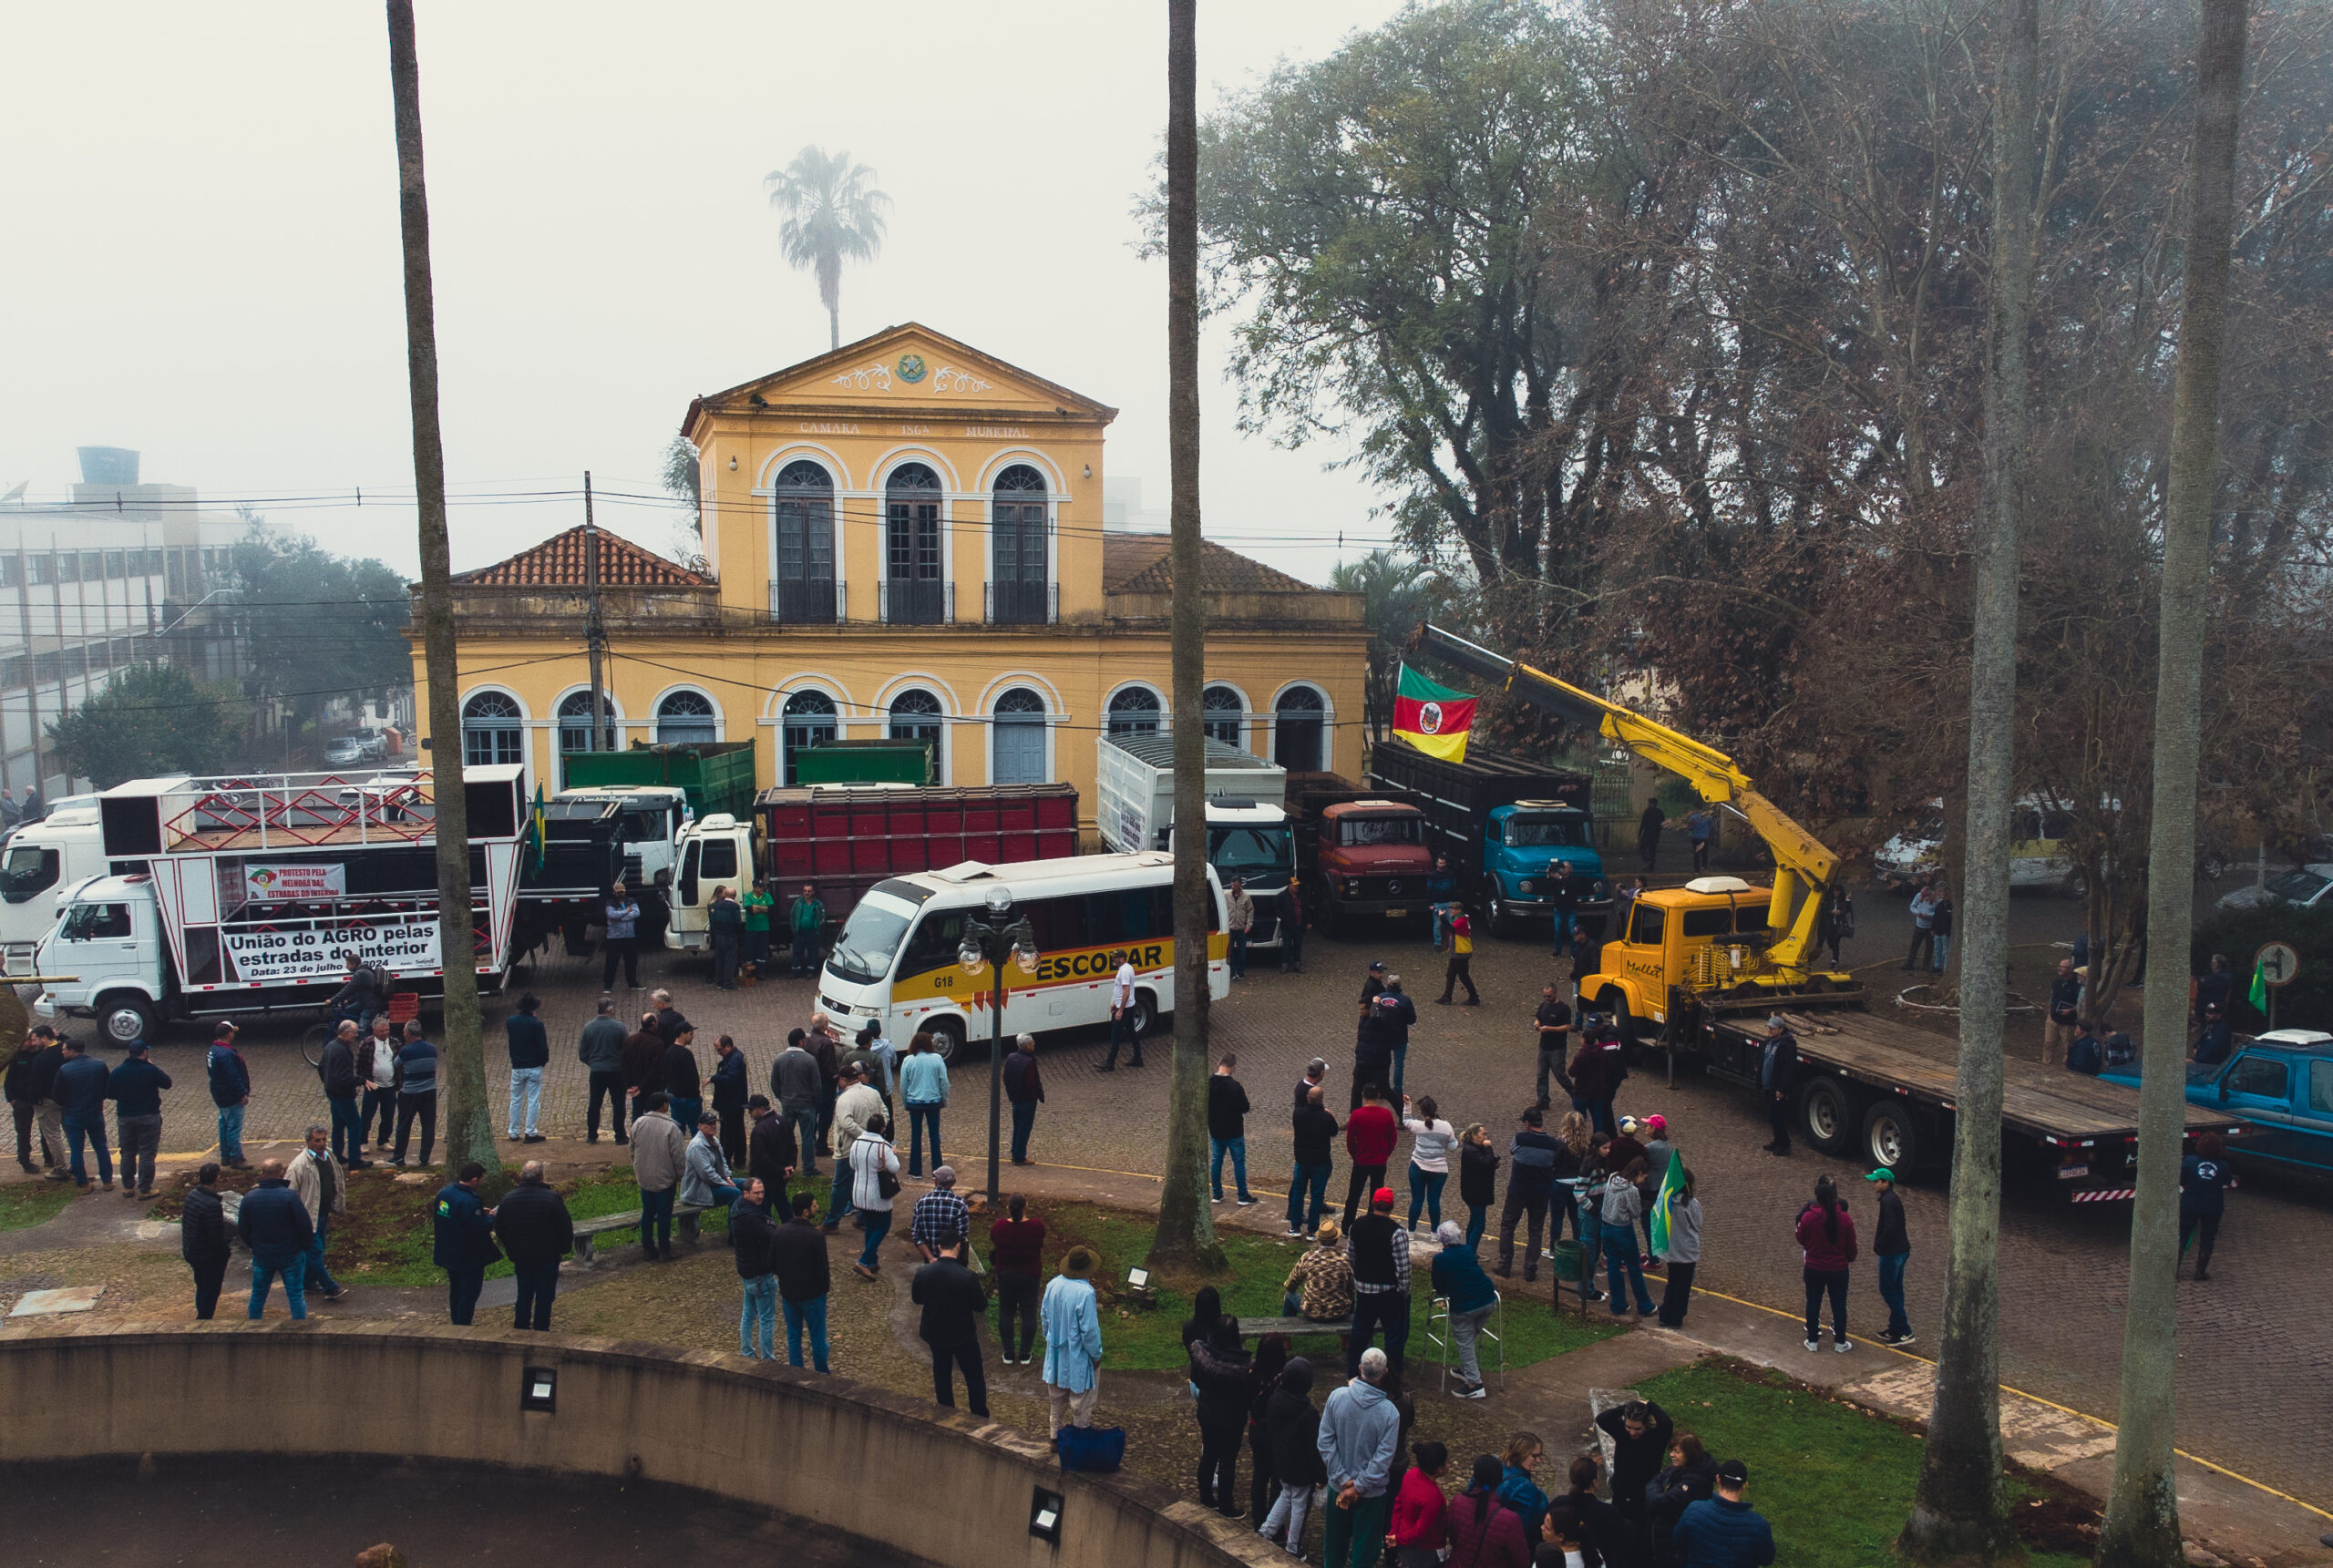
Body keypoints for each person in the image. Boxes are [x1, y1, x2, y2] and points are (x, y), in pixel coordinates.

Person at [1319, 1347, 1404, 1568]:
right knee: (1365, 1555)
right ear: (1385, 1372)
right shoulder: (1389, 1413)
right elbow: (1383, 1458)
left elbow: (1325, 1443)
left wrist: (1343, 1480)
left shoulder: (1336, 1397)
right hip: (1371, 1495)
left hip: (1338, 1488)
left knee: (1334, 1549)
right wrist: (1358, 1487)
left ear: (1359, 1369)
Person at [1259, 1356, 1326, 1553]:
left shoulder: (1274, 1400)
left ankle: (1266, 1530)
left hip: (1282, 1461)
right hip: (1301, 1469)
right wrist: (1321, 1475)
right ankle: (1293, 1546)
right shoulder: (1308, 1413)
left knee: (1286, 1494)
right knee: (1298, 1504)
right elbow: (1314, 1449)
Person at [498, 1159, 573, 1331]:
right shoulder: (552, 1198)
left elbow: (500, 1228)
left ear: (521, 1176)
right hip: (547, 1255)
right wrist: (563, 1248)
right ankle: (541, 1328)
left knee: (524, 1293)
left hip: (521, 1256)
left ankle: (521, 1325)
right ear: (542, 1177)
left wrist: (511, 1246)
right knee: (544, 1296)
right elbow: (564, 1227)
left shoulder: (508, 1199)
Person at [1191, 1316, 1255, 1517]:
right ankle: (1226, 1506)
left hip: (1208, 1412)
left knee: (1209, 1454)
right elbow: (1248, 1394)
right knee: (1228, 1459)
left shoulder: (1202, 1355)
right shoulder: (1244, 1365)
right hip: (1232, 1418)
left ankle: (1206, 1497)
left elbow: (1196, 1380)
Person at [1042, 1245, 1105, 1439]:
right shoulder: (1085, 1293)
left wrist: (1050, 1337)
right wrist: (1096, 1354)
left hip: (1055, 1351)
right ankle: (1079, 1439)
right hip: (1078, 1354)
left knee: (1056, 1398)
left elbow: (1044, 1316)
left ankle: (1054, 1436)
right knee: (1081, 1401)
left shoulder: (1053, 1284)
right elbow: (1089, 1331)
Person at [239, 1158, 313, 1320]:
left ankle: (254, 1327)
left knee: (258, 1294)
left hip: (262, 1254)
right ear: (281, 1173)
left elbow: (243, 1229)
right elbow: (304, 1225)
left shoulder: (249, 1198)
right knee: (295, 1294)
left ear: (262, 1174)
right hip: (290, 1253)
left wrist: (254, 1246)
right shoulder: (289, 1197)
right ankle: (299, 1329)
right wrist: (303, 1246)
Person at [1347, 1186, 1412, 1375]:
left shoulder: (1356, 1226)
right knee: (1393, 1337)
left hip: (1364, 1289)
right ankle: (1392, 1375)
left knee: (1360, 1333)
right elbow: (1403, 1267)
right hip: (1388, 1291)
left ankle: (1353, 1372)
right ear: (1391, 1207)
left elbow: (1350, 1257)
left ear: (1373, 1203)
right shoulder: (1397, 1232)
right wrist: (1404, 1291)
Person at [1432, 1220, 1499, 1399]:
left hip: (1466, 1305)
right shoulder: (1468, 1250)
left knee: (1465, 1341)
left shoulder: (1440, 1259)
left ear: (1442, 1240)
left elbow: (1439, 1287)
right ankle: (1467, 1369)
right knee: (1470, 1336)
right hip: (1488, 1298)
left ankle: (1474, 1383)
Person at [433, 1160, 501, 1326]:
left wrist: (478, 1214)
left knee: (455, 1290)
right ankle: (462, 1325)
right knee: (469, 1293)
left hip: (449, 1251)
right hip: (469, 1256)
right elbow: (478, 1227)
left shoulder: (445, 1193)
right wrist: (491, 1217)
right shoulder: (470, 1201)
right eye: (481, 1179)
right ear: (474, 1180)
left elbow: (451, 1217)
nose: (482, 1182)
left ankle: (456, 1321)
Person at [286, 1122, 348, 1303]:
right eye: (317, 1140)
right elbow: (289, 1194)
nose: (321, 1144)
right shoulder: (299, 1165)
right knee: (315, 1251)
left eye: (323, 1139)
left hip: (322, 1213)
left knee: (317, 1251)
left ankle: (307, 1281)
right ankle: (330, 1287)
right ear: (308, 1142)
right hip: (306, 1217)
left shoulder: (328, 1156)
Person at [1796, 1174, 1858, 1351]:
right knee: (1839, 1304)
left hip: (1814, 1267)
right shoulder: (1845, 1218)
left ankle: (1813, 1340)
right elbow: (1851, 1244)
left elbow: (1801, 1237)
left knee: (1813, 1301)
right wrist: (1849, 1258)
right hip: (1838, 1269)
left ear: (1817, 1198)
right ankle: (1840, 1342)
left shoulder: (1809, 1217)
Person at [1672, 1460, 1774, 1567]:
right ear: (1744, 1485)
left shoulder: (1694, 1510)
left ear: (1718, 1479)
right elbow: (1766, 1559)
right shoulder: (1758, 1526)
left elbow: (1678, 1541)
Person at [772, 1191, 833, 1370]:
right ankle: (821, 1373)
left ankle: (795, 1372)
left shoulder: (779, 1232)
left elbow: (772, 1263)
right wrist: (823, 1290)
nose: (817, 1207)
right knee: (818, 1338)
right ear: (806, 1211)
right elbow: (823, 1270)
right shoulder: (816, 1236)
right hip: (812, 1295)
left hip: (789, 1294)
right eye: (814, 1205)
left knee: (793, 1336)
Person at [1498, 1106, 1559, 1282]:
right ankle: (1530, 1269)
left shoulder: (1519, 1138)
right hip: (1541, 1192)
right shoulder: (1554, 1144)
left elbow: (1512, 1151)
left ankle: (1504, 1264)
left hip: (1518, 1190)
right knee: (1535, 1230)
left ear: (1527, 1123)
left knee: (1508, 1225)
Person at [1596, 1398, 1674, 1534]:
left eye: (1638, 1428)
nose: (1632, 1432)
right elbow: (1602, 1419)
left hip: (1644, 1495)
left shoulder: (1656, 1438)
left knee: (1642, 1532)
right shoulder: (1622, 1433)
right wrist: (1626, 1407)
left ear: (1646, 1425)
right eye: (1628, 1427)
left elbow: (1667, 1423)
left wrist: (1649, 1405)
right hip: (1621, 1492)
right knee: (1618, 1530)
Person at [108, 1039, 172, 1200]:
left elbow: (109, 1093)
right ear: (144, 1053)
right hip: (148, 1116)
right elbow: (167, 1083)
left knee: (127, 1152)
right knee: (146, 1153)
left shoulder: (118, 1071)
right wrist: (152, 1066)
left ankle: (128, 1187)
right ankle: (145, 1188)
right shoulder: (150, 1070)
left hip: (125, 1116)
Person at [825, 1063, 885, 1230]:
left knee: (840, 1186)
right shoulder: (873, 1092)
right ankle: (863, 1218)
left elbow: (846, 1123)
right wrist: (875, 1134)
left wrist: (864, 1135)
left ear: (843, 1080)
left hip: (848, 1150)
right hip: (871, 1147)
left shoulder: (844, 1099)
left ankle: (831, 1222)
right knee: (866, 1183)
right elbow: (885, 1113)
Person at [629, 1091, 687, 1262]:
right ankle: (664, 1249)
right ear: (663, 1106)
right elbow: (678, 1156)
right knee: (664, 1215)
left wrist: (638, 1168)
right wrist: (679, 1175)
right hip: (665, 1178)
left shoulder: (638, 1123)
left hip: (644, 1177)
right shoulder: (671, 1127)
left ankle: (647, 1248)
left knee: (647, 1213)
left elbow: (632, 1149)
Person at [1646, 1435, 1721, 1566]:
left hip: (1675, 1548)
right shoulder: (1679, 1468)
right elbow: (1655, 1481)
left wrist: (1655, 1493)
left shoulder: (1694, 1482)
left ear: (1689, 1454)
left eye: (1677, 1452)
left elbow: (1659, 1502)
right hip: (1666, 1540)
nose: (1672, 1455)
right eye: (1671, 1451)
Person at [1447, 1453, 1532, 1568]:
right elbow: (1520, 1561)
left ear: (1475, 1477)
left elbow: (1453, 1539)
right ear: (1500, 1479)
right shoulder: (1510, 1520)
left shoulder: (1457, 1503)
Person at [989, 1194, 1046, 1364]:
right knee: (1029, 1313)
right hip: (1030, 1274)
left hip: (1006, 1273)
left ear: (1008, 1208)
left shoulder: (999, 1227)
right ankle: (1025, 1353)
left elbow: (993, 1239)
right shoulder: (1036, 1226)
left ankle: (1008, 1352)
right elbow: (1041, 1241)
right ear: (1026, 1206)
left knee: (1006, 1312)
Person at [847, 1110, 900, 1279]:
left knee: (870, 1225)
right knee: (883, 1226)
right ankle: (863, 1261)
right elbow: (895, 1168)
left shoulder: (856, 1143)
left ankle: (872, 1260)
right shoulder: (883, 1147)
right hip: (877, 1194)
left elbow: (852, 1165)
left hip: (859, 1192)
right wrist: (893, 1152)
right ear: (882, 1129)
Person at [731, 1176, 779, 1358]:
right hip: (760, 1274)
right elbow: (770, 1235)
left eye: (762, 1192)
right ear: (746, 1193)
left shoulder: (739, 1209)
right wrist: (771, 1224)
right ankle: (767, 1358)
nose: (761, 1196)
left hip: (746, 1272)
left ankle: (747, 1353)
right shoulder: (752, 1217)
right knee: (767, 1319)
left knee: (748, 1315)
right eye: (756, 1193)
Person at [1601, 1159, 1657, 1317]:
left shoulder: (1612, 1178)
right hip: (1623, 1230)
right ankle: (1644, 1305)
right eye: (1643, 1177)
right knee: (1634, 1268)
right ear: (1639, 1173)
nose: (1643, 1181)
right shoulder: (1631, 1190)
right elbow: (1636, 1213)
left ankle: (1618, 1304)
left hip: (1606, 1226)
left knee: (1613, 1266)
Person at [6, 1027, 63, 1177]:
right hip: (22, 1101)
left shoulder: (42, 1054)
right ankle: (25, 1160)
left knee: (46, 1130)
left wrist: (58, 1035)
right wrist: (12, 1099)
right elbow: (9, 1080)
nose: (29, 1042)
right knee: (23, 1132)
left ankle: (49, 1157)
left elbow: (66, 1044)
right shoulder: (18, 1057)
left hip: (40, 1099)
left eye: (31, 1039)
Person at [1865, 1166, 1913, 1344]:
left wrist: (1879, 1244)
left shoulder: (1887, 1201)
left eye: (1876, 1181)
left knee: (1887, 1290)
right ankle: (1895, 1328)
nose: (1873, 1185)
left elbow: (1890, 1226)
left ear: (1886, 1183)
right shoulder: (1892, 1199)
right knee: (1896, 1290)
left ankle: (1905, 1330)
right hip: (1901, 1250)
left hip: (1891, 1253)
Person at [2179, 1132, 2234, 1281]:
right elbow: (2227, 1181)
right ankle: (2200, 1271)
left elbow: (2182, 1180)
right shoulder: (2223, 1166)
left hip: (2190, 1203)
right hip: (2212, 1206)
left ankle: (2174, 1269)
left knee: (2182, 1235)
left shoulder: (2190, 1161)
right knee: (2208, 1236)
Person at [180, 1161, 231, 1319]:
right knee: (210, 1292)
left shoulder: (192, 1196)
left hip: (193, 1253)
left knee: (201, 1287)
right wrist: (225, 1253)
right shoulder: (212, 1205)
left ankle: (201, 1313)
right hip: (208, 1258)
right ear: (217, 1178)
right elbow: (215, 1238)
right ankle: (203, 1322)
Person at [1288, 1084, 1340, 1237]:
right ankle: (1312, 1229)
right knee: (1317, 1196)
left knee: (1298, 1193)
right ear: (1321, 1099)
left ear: (1307, 1099)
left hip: (1302, 1160)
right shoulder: (1326, 1117)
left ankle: (1295, 1226)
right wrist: (1330, 1115)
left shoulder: (1297, 1114)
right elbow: (1334, 1131)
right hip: (1321, 1161)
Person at [1343, 1082, 1400, 1223]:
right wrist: (1385, 1154)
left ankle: (1347, 1224)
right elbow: (1393, 1138)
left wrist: (1355, 1155)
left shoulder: (1357, 1115)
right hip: (1379, 1161)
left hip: (1361, 1161)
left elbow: (1350, 1140)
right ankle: (1373, 1222)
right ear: (1378, 1096)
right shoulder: (1386, 1115)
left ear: (1363, 1096)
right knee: (1376, 1195)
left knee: (1354, 1194)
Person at [771, 1028, 823, 1173]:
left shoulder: (780, 1059)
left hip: (788, 1104)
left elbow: (774, 1083)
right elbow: (816, 1085)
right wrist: (815, 1101)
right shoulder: (810, 1060)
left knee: (786, 1136)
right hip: (806, 1104)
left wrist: (782, 1098)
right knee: (807, 1136)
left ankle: (785, 1164)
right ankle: (808, 1167)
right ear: (800, 1042)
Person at [1390, 1440, 1451, 1565]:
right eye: (1446, 1462)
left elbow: (1398, 1504)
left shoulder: (1411, 1475)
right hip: (1425, 1550)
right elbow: (1420, 1530)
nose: (1448, 1465)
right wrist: (1399, 1538)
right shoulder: (1433, 1497)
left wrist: (1394, 1533)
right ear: (1439, 1469)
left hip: (1405, 1541)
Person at [1656, 1166, 1703, 1329]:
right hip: (1687, 1252)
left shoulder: (1666, 1201)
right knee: (1683, 1287)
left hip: (1672, 1251)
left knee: (1672, 1283)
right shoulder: (1691, 1203)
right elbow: (1697, 1224)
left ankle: (1665, 1315)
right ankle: (1676, 1318)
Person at [388, 1020, 440, 1167]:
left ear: (410, 1034)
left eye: (405, 1031)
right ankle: (424, 1158)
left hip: (410, 1093)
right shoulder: (432, 1049)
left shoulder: (406, 1051)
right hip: (429, 1091)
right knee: (428, 1125)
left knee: (404, 1125)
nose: (403, 1034)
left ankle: (398, 1157)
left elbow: (396, 1064)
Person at [1359, 976, 1417, 1104]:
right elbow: (1412, 1019)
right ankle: (1397, 1090)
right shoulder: (1405, 1000)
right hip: (1399, 1037)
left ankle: (1380, 1088)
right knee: (1398, 1064)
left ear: (1388, 984)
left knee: (1381, 1064)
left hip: (1381, 1037)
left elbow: (1374, 1015)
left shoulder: (1380, 997)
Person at [314, 1020, 365, 1170]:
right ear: (346, 1033)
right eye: (354, 1033)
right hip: (343, 1094)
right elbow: (344, 1077)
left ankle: (337, 1155)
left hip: (332, 1092)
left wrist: (327, 1083)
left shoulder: (331, 1046)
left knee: (338, 1125)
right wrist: (361, 1080)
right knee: (354, 1124)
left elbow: (321, 1067)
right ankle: (355, 1160)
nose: (356, 1036)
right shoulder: (342, 1051)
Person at [900, 1030, 951, 1178]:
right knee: (934, 1136)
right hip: (933, 1102)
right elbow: (944, 1082)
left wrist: (905, 1102)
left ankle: (915, 1170)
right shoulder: (937, 1059)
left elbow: (903, 1085)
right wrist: (944, 1100)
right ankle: (937, 1170)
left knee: (916, 1136)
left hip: (914, 1103)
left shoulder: (908, 1060)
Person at [1402, 1094, 1457, 1231]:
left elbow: (1406, 1120)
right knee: (1434, 1202)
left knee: (1416, 1201)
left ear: (1421, 1111)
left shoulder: (1418, 1126)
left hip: (1418, 1167)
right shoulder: (1446, 1126)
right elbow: (1453, 1146)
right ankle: (1434, 1232)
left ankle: (1411, 1231)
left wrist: (1407, 1105)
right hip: (1439, 1170)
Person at [1285, 1218, 1354, 1325]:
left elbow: (1291, 1283)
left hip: (1311, 1311)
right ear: (1336, 1240)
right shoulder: (1344, 1260)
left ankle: (1285, 1333)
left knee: (1289, 1295)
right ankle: (1348, 1336)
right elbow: (1351, 1288)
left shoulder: (1308, 1257)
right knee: (1351, 1299)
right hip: (1339, 1312)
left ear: (1319, 1239)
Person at [1209, 1052, 1257, 1204]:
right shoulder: (1235, 1087)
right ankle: (1242, 1195)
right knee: (1238, 1162)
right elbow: (1245, 1107)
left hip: (1215, 1129)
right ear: (1233, 1068)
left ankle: (1217, 1194)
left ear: (1219, 1063)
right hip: (1233, 1130)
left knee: (1216, 1161)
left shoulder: (1208, 1083)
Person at [503, 992, 549, 1143]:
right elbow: (543, 1048)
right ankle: (530, 1132)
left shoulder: (511, 1022)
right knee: (533, 1100)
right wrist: (542, 1062)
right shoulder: (536, 1024)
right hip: (534, 1065)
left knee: (516, 1099)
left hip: (517, 1066)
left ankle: (513, 1132)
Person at [207, 1020, 252, 1168]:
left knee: (224, 1124)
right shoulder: (227, 1054)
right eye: (232, 1032)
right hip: (230, 1096)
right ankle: (236, 1158)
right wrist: (242, 1093)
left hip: (219, 1094)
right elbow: (233, 1076)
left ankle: (225, 1155)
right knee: (233, 1127)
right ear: (228, 1034)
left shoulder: (213, 1050)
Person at [1495, 1433, 1552, 1545]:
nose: (1538, 1461)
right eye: (1534, 1456)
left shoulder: (1494, 1464)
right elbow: (1527, 1526)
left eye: (1539, 1456)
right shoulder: (1524, 1487)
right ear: (1520, 1454)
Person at [681, 1111, 742, 1210]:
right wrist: (726, 1184)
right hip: (701, 1190)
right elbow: (707, 1174)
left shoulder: (714, 1140)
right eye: (709, 1124)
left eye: (714, 1123)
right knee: (735, 1193)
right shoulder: (697, 1146)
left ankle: (755, 1219)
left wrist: (727, 1178)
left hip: (718, 1182)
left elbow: (723, 1162)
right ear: (699, 1126)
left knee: (750, 1184)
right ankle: (736, 1223)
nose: (713, 1126)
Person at [910, 1164, 971, 1263]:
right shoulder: (960, 1204)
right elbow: (961, 1236)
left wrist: (931, 1258)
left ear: (935, 1181)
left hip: (930, 1261)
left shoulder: (921, 1202)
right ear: (954, 1183)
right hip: (952, 1261)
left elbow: (916, 1235)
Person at [745, 1094, 795, 1214]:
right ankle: (791, 1229)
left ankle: (766, 1231)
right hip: (781, 1176)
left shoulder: (759, 1130)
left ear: (760, 1109)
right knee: (783, 1206)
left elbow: (760, 1159)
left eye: (751, 1109)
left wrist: (781, 1170)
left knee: (763, 1210)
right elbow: (793, 1147)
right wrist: (789, 1167)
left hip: (765, 1178)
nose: (749, 1113)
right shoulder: (783, 1121)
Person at [1758, 1016, 1797, 1156]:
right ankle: (1777, 1140)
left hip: (1777, 1087)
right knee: (1771, 1115)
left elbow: (1788, 1069)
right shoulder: (1769, 1041)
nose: (1770, 1030)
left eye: (1773, 1028)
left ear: (1781, 1029)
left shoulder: (1788, 1045)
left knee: (1777, 1115)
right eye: (1769, 1027)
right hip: (1768, 1084)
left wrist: (1782, 1089)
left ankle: (1785, 1143)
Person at [360, 1015, 400, 1151]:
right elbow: (360, 1065)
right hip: (373, 1086)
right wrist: (365, 1081)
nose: (385, 1033)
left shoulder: (395, 1043)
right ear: (374, 1030)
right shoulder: (366, 1044)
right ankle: (363, 1142)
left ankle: (383, 1141)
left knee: (388, 1116)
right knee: (367, 1116)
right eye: (382, 1030)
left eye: (387, 1030)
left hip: (390, 1086)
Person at [1003, 1032, 1043, 1164]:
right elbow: (1031, 1083)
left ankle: (1015, 1152)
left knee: (1017, 1126)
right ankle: (1020, 1156)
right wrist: (1036, 1095)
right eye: (1032, 1043)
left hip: (1015, 1098)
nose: (1034, 1044)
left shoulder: (1011, 1057)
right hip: (1027, 1100)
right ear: (1027, 1046)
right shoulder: (1029, 1062)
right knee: (1024, 1128)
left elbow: (1006, 1077)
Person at [709, 1033, 750, 1163]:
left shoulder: (735, 1060)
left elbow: (731, 1079)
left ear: (728, 1047)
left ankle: (726, 1158)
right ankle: (739, 1158)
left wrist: (714, 1078)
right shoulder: (735, 1057)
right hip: (733, 1101)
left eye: (719, 1049)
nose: (718, 1052)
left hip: (731, 1102)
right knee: (737, 1130)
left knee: (729, 1133)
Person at [1458, 1122, 1499, 1248]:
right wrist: (1488, 1149)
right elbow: (1485, 1163)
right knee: (1479, 1225)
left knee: (1473, 1221)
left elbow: (1484, 1164)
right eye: (1483, 1134)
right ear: (1473, 1135)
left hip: (1475, 1192)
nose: (1485, 1137)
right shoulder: (1471, 1150)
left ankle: (1469, 1249)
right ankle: (1471, 1252)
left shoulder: (1472, 1148)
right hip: (1476, 1193)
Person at [1102, 951, 1144, 1071]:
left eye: (1115, 958)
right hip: (1128, 1006)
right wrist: (1115, 1002)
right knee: (1131, 1032)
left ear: (1122, 958)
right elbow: (1121, 990)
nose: (1113, 960)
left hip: (1125, 1008)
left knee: (1115, 1034)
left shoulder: (1124, 971)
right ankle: (1138, 1058)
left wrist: (1120, 1010)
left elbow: (1126, 991)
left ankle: (1110, 1063)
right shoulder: (1127, 968)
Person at [1566, 1025, 1608, 1137]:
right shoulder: (1602, 1053)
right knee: (1598, 1119)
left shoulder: (1581, 1055)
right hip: (1598, 1092)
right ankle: (1598, 1142)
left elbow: (1572, 1072)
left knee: (1579, 1120)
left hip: (1582, 1092)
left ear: (1584, 1039)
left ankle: (1580, 1141)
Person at [1535, 985, 1573, 1109]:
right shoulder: (1543, 1006)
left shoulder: (1564, 1009)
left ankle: (1575, 1094)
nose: (1546, 998)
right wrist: (1537, 1023)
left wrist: (1550, 1029)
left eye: (1549, 996)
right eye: (1545, 996)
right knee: (1541, 1075)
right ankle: (1543, 1100)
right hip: (1543, 1047)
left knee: (1560, 1074)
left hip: (1557, 1048)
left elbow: (1567, 1027)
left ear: (1555, 993)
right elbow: (1538, 1017)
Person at [326, 951, 385, 1030]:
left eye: (348, 964)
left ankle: (364, 1035)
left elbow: (348, 989)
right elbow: (358, 988)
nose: (346, 966)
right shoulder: (363, 971)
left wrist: (332, 1000)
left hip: (371, 1005)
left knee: (362, 1030)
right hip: (365, 1001)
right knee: (348, 1010)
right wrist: (348, 999)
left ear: (353, 964)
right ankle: (354, 1029)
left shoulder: (360, 973)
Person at [601, 881, 642, 990]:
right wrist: (626, 912)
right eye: (618, 892)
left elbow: (636, 913)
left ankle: (632, 983)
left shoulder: (631, 901)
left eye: (622, 892)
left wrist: (621, 918)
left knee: (631, 961)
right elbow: (611, 915)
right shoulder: (610, 903)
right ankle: (607, 986)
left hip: (629, 936)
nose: (621, 894)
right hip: (614, 938)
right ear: (614, 892)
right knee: (611, 962)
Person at [663, 1026, 704, 1135]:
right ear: (682, 1034)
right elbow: (693, 1079)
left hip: (674, 1097)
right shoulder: (686, 1054)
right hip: (689, 1099)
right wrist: (697, 1096)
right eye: (690, 1034)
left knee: (678, 1130)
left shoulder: (668, 1051)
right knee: (697, 1129)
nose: (692, 1037)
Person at [1437, 906, 1480, 1007]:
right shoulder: (1460, 918)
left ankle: (1474, 997)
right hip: (1457, 952)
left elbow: (1451, 928)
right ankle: (1447, 997)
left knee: (1463, 976)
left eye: (1453, 909)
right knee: (1451, 974)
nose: (1451, 911)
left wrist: (1442, 917)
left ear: (1459, 910)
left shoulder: (1461, 921)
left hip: (1460, 952)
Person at [2044, 956, 2082, 1067]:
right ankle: (2046, 1065)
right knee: (2048, 1044)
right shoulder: (2056, 981)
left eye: (2064, 967)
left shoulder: (2077, 984)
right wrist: (2049, 1010)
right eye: (2059, 966)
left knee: (2068, 1047)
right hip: (2053, 1018)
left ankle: (2066, 1068)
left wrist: (2071, 1010)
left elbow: (2081, 1003)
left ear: (2071, 969)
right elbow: (2052, 996)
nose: (2060, 969)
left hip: (2068, 1022)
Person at [708, 883, 744, 989]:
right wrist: (739, 934)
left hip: (719, 935)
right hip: (730, 936)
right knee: (730, 960)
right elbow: (738, 922)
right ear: (734, 896)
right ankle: (728, 984)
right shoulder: (735, 906)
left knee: (719, 959)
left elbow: (713, 921)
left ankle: (719, 982)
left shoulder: (716, 905)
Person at [787, 881, 827, 979]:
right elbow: (792, 916)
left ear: (813, 892)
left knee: (813, 953)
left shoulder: (818, 904)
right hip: (800, 932)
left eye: (809, 891)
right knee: (797, 952)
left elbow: (823, 917)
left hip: (813, 932)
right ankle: (795, 972)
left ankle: (810, 972)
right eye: (805, 891)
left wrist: (819, 928)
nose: (806, 893)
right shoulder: (798, 903)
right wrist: (794, 929)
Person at [741, 877, 776, 978]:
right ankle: (750, 972)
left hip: (764, 928)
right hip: (751, 929)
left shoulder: (767, 896)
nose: (762, 889)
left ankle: (761, 972)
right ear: (755, 888)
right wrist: (763, 909)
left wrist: (756, 907)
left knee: (762, 950)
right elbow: (750, 910)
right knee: (750, 950)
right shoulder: (748, 896)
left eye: (763, 887)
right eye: (760, 887)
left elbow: (770, 909)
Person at [1546, 863, 1581, 956]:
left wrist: (1560, 878)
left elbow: (1571, 886)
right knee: (1557, 932)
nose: (1563, 869)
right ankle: (1558, 950)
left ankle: (1574, 952)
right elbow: (1550, 887)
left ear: (1570, 869)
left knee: (1572, 932)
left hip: (1571, 910)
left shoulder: (1574, 879)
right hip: (1558, 909)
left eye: (1565, 867)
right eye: (1562, 867)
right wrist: (1549, 876)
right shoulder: (1557, 880)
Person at [1904, 881, 1939, 972]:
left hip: (1930, 927)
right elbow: (1912, 906)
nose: (1923, 898)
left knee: (1929, 947)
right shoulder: (1919, 896)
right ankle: (1909, 963)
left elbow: (1938, 912)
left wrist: (1928, 915)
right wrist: (1917, 913)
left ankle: (1926, 965)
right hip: (1919, 925)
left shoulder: (1935, 900)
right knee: (1914, 945)